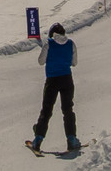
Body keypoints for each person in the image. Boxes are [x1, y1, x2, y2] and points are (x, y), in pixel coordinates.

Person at [29, 23, 80, 153]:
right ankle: (71, 139)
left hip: (52, 80)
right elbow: (74, 63)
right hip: (67, 79)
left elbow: (41, 61)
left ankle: (38, 140)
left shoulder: (49, 43)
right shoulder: (71, 43)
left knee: (46, 110)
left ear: (52, 33)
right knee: (68, 109)